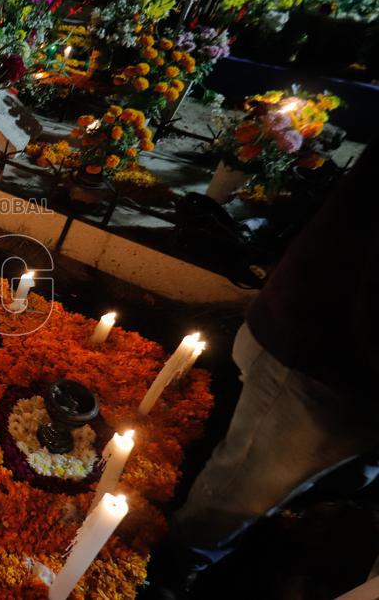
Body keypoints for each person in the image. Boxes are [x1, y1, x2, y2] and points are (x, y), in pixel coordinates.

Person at [152, 147, 379, 595]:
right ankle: (168, 571)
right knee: (237, 493)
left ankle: (283, 530)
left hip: (349, 373)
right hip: (320, 358)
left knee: (303, 478)